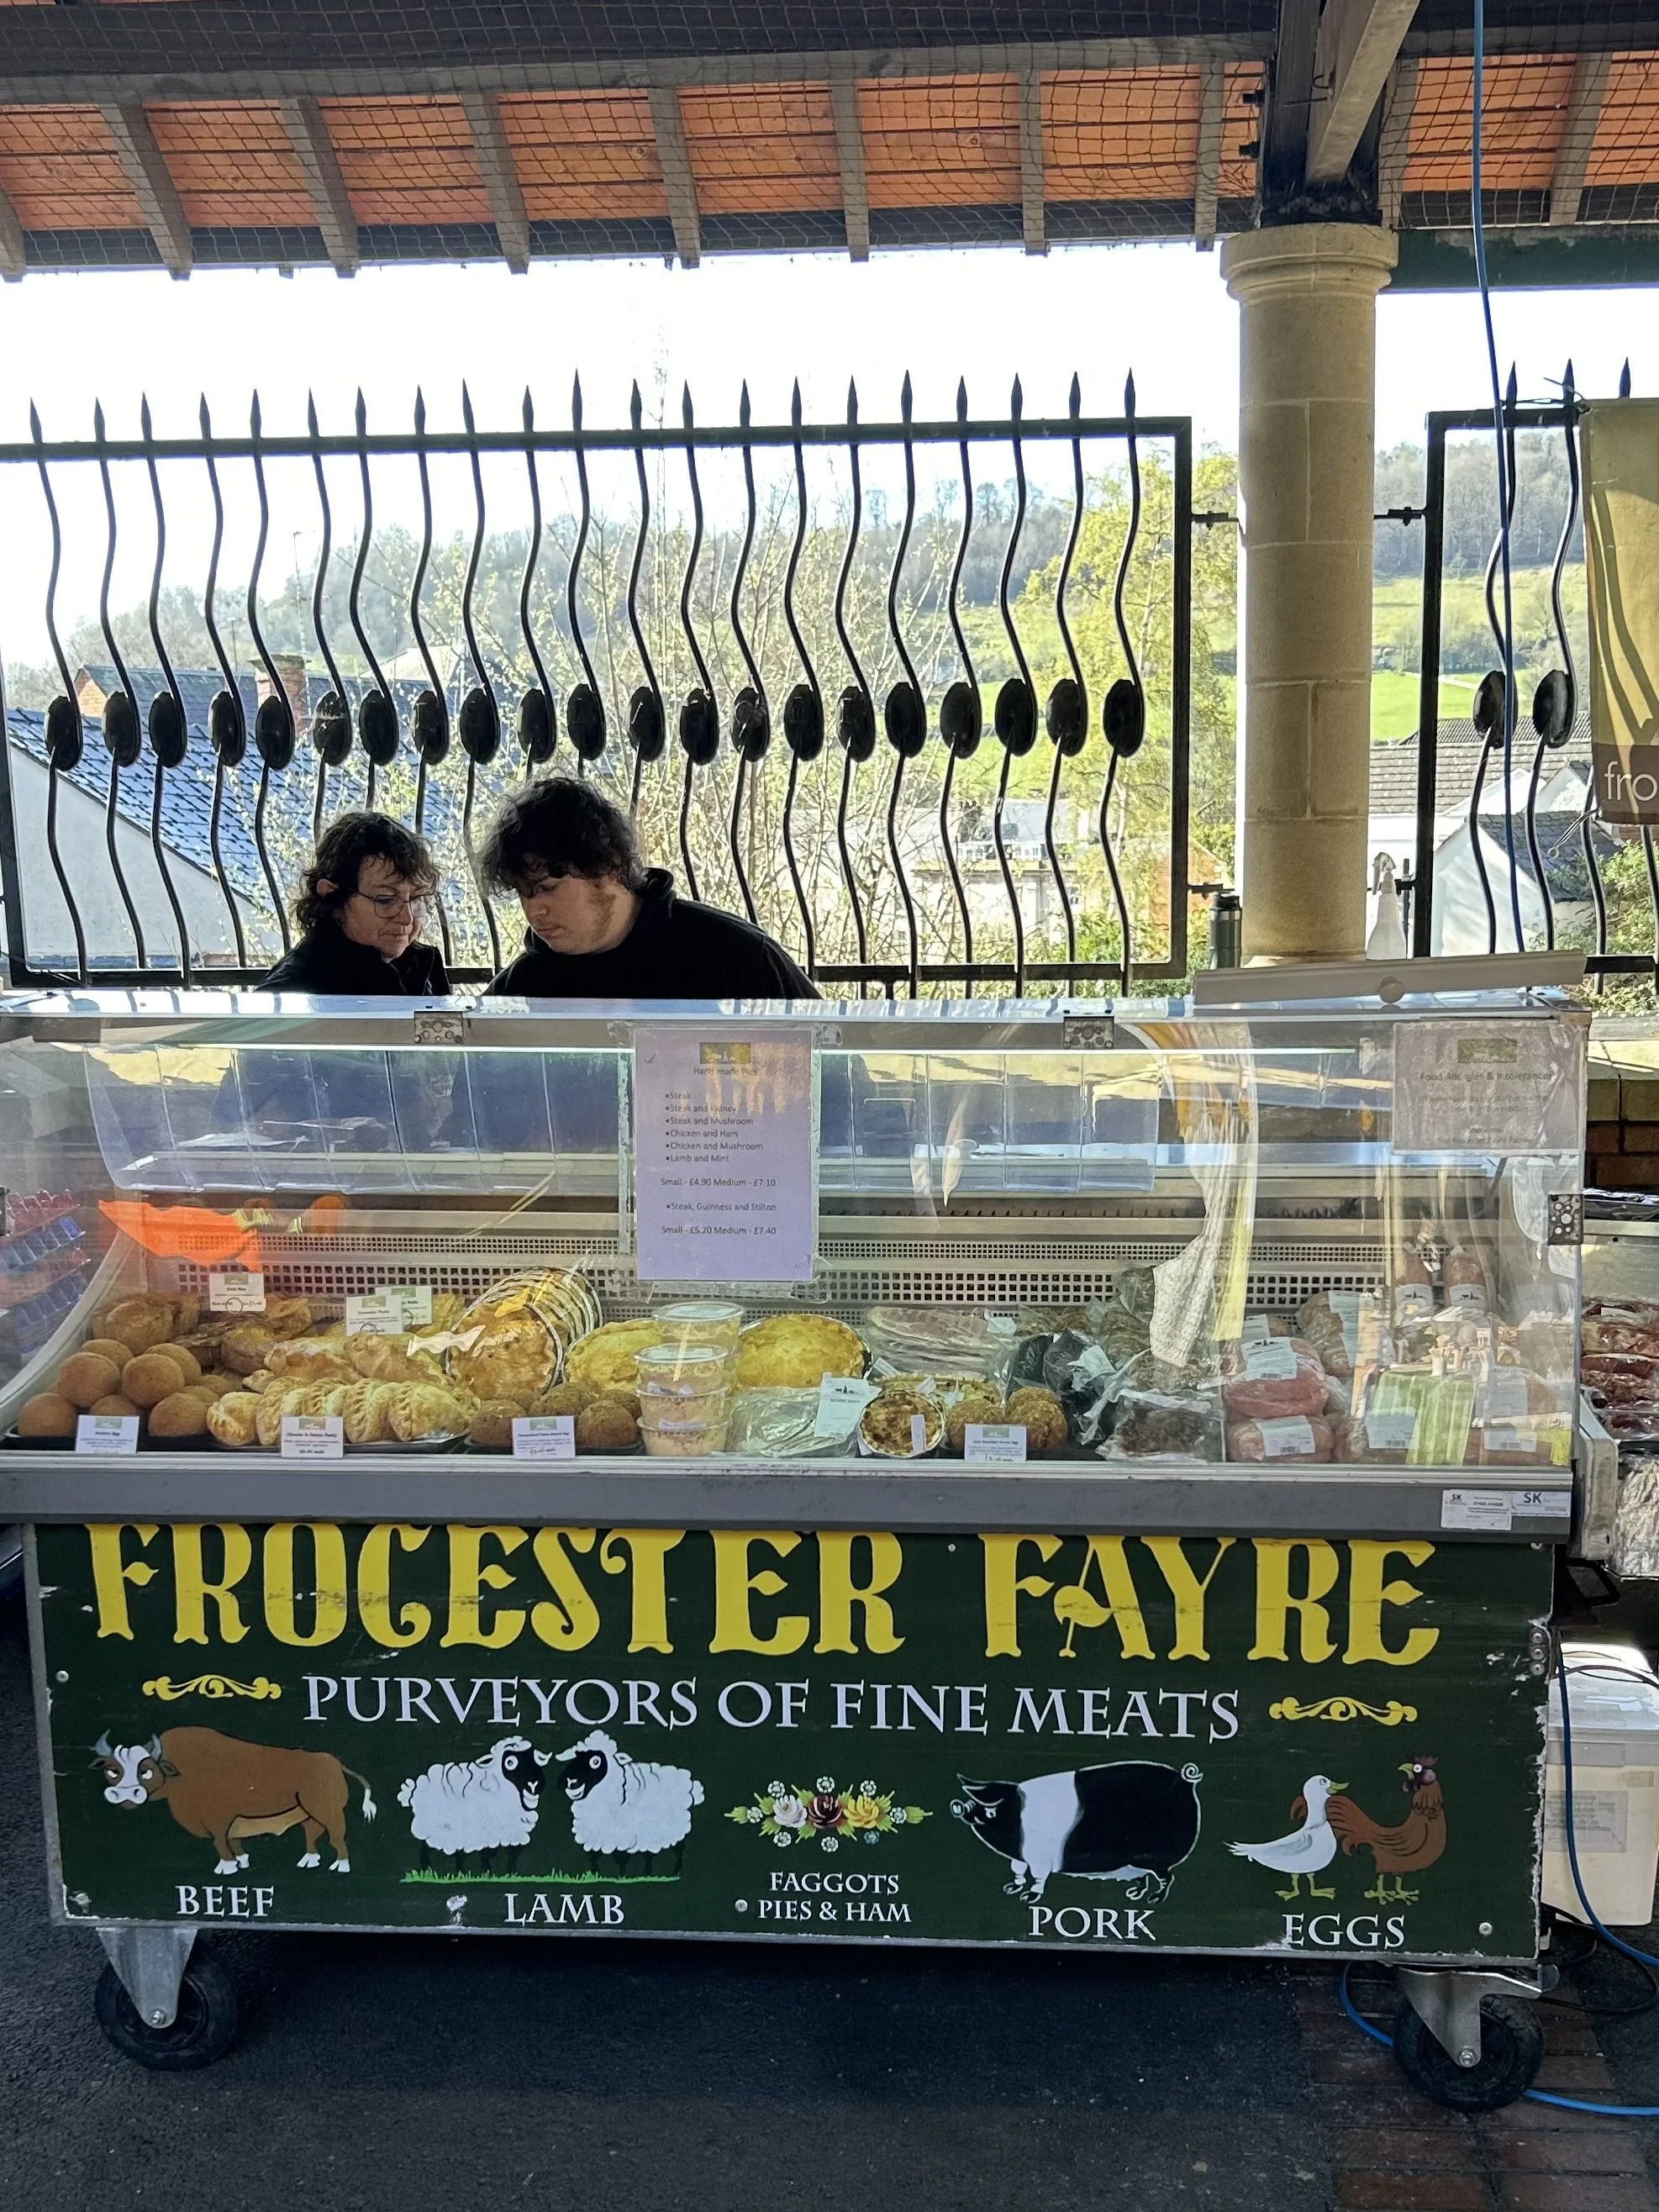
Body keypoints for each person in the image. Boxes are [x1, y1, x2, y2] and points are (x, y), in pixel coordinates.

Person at [478, 777, 816, 999]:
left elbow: (833, 1072)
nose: (534, 911)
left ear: (609, 867)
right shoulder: (522, 988)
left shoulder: (737, 956)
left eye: (548, 887)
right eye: (524, 893)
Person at [258, 813, 449, 996]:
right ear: (333, 900)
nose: (407, 917)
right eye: (385, 900)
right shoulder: (291, 993)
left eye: (417, 899)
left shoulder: (420, 966)